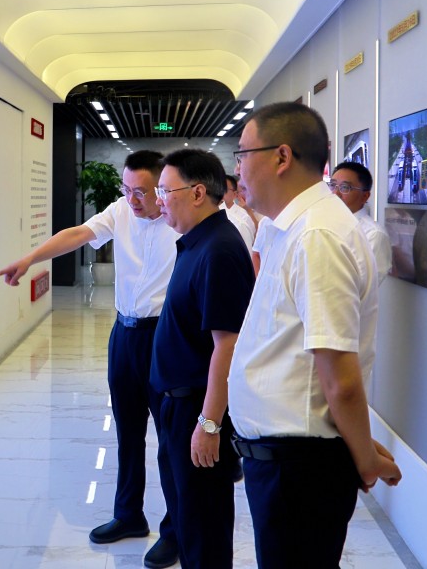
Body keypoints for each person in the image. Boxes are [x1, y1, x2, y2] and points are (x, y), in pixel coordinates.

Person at [228, 102, 401, 568]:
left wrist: (364, 458)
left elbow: (340, 378)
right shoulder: (291, 226)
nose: (237, 168)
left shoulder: (317, 235)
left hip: (299, 466)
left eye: (243, 154)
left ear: (281, 157)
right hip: (286, 461)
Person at [0, 150, 180, 569]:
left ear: (162, 189)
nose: (132, 199)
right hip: (124, 335)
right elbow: (77, 234)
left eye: (141, 192)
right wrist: (30, 258)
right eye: (126, 190)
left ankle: (175, 531)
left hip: (164, 338)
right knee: (127, 432)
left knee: (170, 440)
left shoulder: (179, 219)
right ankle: (128, 515)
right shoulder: (120, 210)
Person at [149, 148, 255, 568]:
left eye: (164, 190)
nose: (158, 200)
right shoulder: (197, 241)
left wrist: (209, 423)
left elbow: (227, 344)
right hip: (178, 406)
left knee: (203, 526)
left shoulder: (219, 250)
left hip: (197, 408)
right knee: (188, 518)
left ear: (197, 193)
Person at [330, 161, 391, 285]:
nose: (336, 193)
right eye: (332, 185)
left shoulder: (373, 235)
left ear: (365, 196)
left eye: (345, 187)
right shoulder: (325, 223)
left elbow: (362, 286)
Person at [221, 174, 255, 253]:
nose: (220, 192)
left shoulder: (243, 217)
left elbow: (248, 248)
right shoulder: (211, 215)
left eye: (224, 188)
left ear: (235, 194)